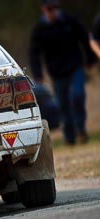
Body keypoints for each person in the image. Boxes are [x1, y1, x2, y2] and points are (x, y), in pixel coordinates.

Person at [29, 0, 97, 145]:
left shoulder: (69, 21)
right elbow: (34, 53)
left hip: (75, 68)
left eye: (56, 8)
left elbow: (84, 39)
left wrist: (90, 60)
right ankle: (70, 138)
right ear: (44, 10)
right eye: (50, 8)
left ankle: (80, 129)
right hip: (56, 73)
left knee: (77, 95)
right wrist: (38, 74)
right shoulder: (40, 29)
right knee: (62, 106)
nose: (53, 11)